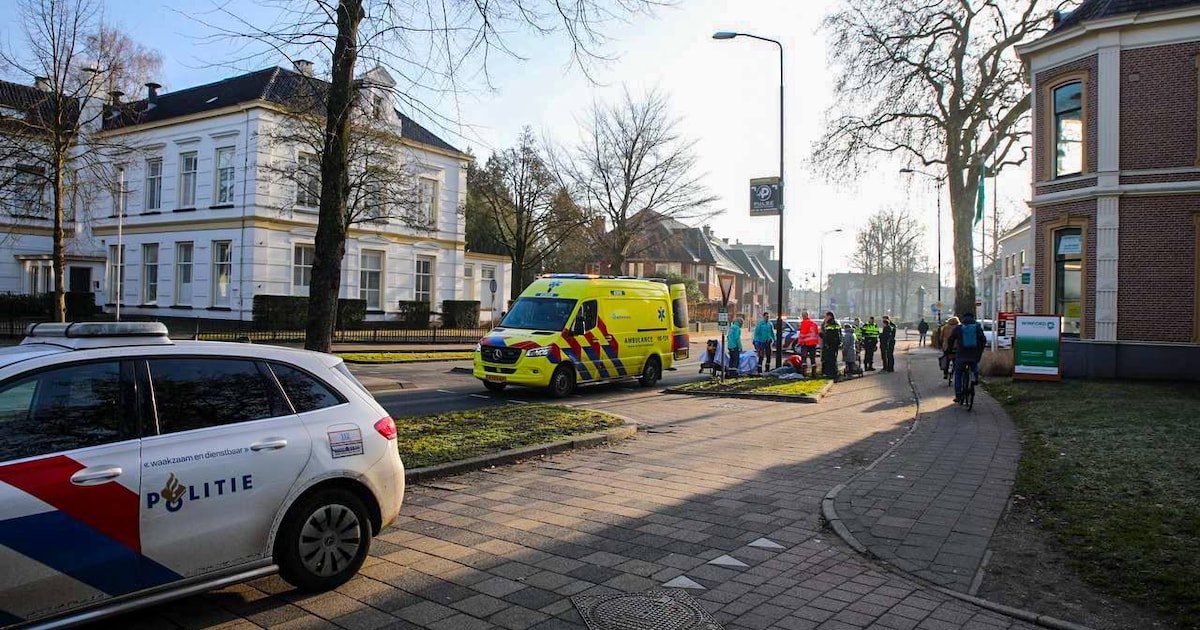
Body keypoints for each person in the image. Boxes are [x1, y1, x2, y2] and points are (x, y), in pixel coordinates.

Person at [947, 312, 987, 402]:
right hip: (974, 354)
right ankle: (974, 379)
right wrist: (980, 350)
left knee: (958, 373)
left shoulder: (959, 328)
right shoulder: (977, 327)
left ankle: (958, 395)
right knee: (974, 366)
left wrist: (949, 351)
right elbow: (983, 340)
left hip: (961, 354)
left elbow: (951, 339)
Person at [798, 311, 821, 376]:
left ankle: (804, 372)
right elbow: (817, 333)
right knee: (812, 358)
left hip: (805, 343)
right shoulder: (814, 323)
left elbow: (802, 334)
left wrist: (799, 342)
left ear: (803, 316)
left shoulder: (803, 323)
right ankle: (814, 373)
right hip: (813, 343)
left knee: (804, 357)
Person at [821, 311, 842, 379]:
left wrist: (826, 340)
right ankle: (831, 373)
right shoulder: (834, 323)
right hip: (832, 344)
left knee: (831, 359)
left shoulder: (831, 324)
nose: (825, 317)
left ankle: (832, 374)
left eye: (826, 316)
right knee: (831, 359)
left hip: (831, 344)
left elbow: (829, 335)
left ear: (830, 316)